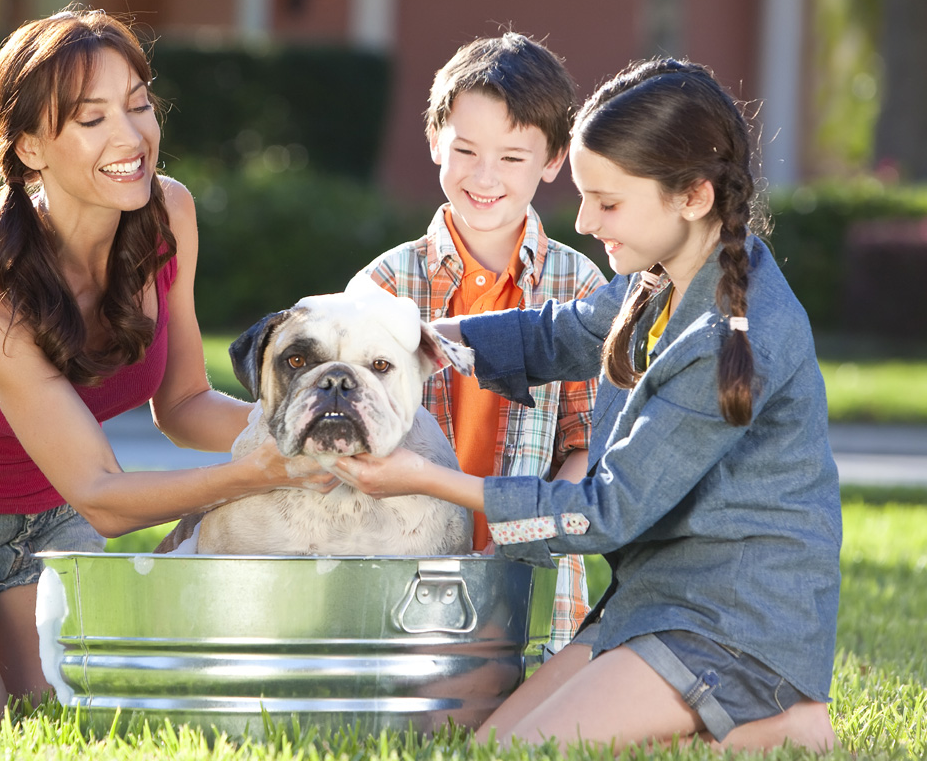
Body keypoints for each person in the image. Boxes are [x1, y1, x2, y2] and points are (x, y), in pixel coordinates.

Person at [0, 8, 333, 722]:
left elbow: (184, 403)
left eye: (138, 104)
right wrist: (256, 473)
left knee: (78, 710)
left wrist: (301, 431)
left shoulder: (169, 215)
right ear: (30, 146)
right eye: (91, 120)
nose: (130, 138)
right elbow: (100, 490)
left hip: (48, 524)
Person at [332, 58, 841, 752]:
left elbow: (603, 511)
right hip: (652, 600)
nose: (583, 220)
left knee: (519, 754)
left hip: (731, 623)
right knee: (482, 745)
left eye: (607, 202)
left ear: (691, 195)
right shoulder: (661, 276)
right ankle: (723, 726)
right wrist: (423, 337)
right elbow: (558, 333)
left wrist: (425, 480)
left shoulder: (728, 335)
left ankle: (778, 716)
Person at [362, 33, 606, 651]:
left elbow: (587, 442)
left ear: (553, 161)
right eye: (465, 149)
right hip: (398, 560)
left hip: (533, 569)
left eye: (513, 158)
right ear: (435, 139)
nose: (485, 176)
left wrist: (532, 523)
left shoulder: (579, 285)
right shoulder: (383, 285)